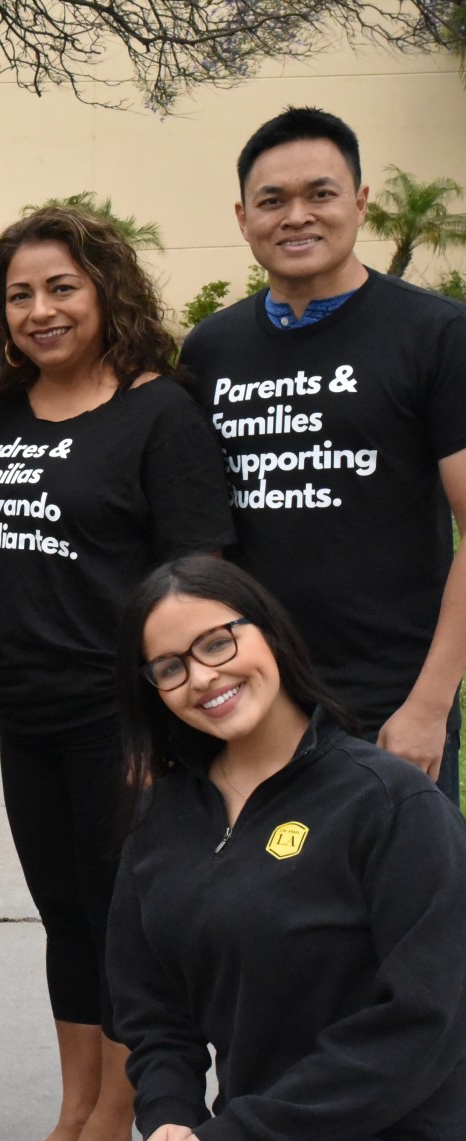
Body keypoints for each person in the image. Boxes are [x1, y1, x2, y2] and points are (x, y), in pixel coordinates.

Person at [0, 206, 235, 1141]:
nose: (40, 310)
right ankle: (75, 1113)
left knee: (130, 928)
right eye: (20, 293)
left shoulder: (158, 415)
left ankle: (122, 1133)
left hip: (119, 722)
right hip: (23, 716)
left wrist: (165, 723)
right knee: (67, 921)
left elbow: (199, 578)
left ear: (104, 290)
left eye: (61, 287)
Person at [108, 554, 466, 1141]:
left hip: (415, 1139)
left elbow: (424, 1018)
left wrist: (239, 1135)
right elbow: (149, 1007)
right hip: (266, 1137)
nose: (203, 676)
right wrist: (170, 1116)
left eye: (218, 642)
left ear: (269, 631)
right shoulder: (163, 817)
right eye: (171, 667)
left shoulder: (390, 802)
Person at [179, 107, 466, 797]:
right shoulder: (211, 349)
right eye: (273, 201)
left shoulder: (435, 335)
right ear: (243, 216)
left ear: (359, 203)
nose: (296, 216)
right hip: (254, 695)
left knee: (402, 899)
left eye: (321, 194)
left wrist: (428, 708)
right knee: (265, 897)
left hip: (390, 701)